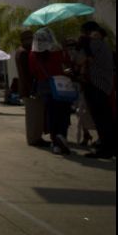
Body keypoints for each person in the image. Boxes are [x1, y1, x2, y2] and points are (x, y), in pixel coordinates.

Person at [28, 27, 73, 155]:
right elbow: (67, 64)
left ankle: (55, 142)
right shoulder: (58, 51)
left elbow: (33, 72)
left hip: (44, 86)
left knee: (51, 113)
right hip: (61, 85)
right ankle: (62, 136)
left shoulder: (33, 54)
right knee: (63, 113)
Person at [78, 21, 116, 159]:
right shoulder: (104, 45)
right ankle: (110, 146)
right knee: (106, 118)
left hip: (96, 86)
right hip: (104, 86)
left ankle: (106, 149)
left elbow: (79, 60)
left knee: (102, 119)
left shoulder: (93, 44)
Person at [16, 30, 49, 147]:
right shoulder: (24, 53)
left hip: (28, 88)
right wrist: (32, 90)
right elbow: (27, 74)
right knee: (34, 116)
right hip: (30, 89)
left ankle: (35, 137)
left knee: (34, 115)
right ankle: (34, 138)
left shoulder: (22, 51)